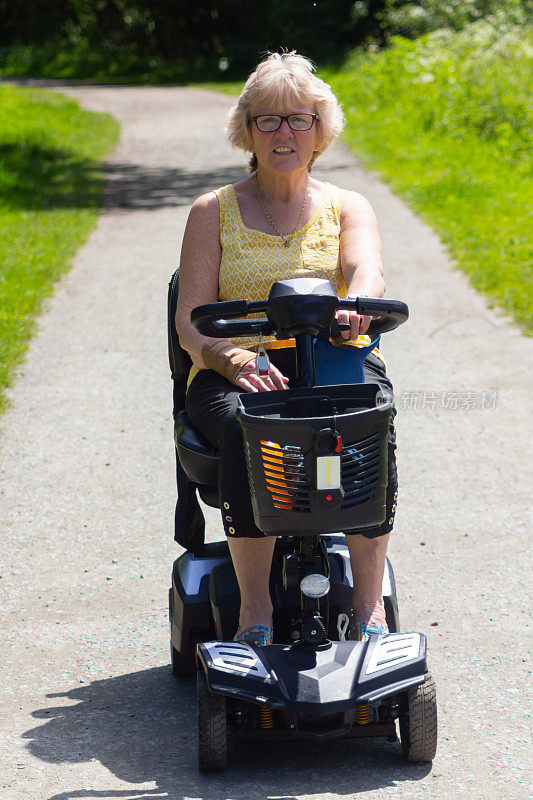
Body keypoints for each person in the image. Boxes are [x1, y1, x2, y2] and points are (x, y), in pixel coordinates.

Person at [176, 52, 397, 647]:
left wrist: (359, 303)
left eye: (299, 119)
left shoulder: (347, 205)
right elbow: (191, 323)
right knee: (249, 429)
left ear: (320, 131)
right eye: (268, 120)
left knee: (368, 421)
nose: (284, 133)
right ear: (246, 131)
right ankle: (255, 612)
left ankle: (369, 605)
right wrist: (235, 360)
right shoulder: (211, 213)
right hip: (239, 372)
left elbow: (365, 268)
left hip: (329, 358)